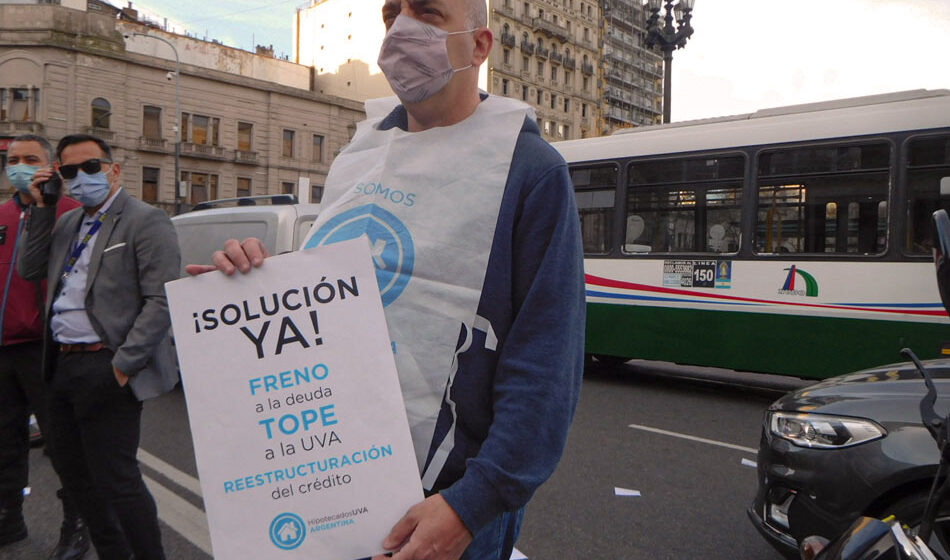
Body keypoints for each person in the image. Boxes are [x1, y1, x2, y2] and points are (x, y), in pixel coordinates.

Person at [186, 0, 586, 558]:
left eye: (427, 12)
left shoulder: (531, 171)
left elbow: (545, 363)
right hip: (331, 484)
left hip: (444, 512)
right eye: (391, 12)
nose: (401, 29)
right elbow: (327, 306)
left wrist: (471, 506)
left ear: (479, 45)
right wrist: (251, 283)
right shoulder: (359, 154)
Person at [17, 133, 180, 560]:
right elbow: (29, 267)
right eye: (69, 171)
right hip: (61, 365)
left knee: (118, 479)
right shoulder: (66, 220)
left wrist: (123, 365)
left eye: (91, 167)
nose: (81, 177)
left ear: (113, 169)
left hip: (105, 365)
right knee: (75, 476)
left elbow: (161, 298)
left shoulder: (145, 220)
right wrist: (43, 207)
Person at [0, 134, 89, 559]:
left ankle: (78, 524)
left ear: (50, 166)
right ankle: (8, 521)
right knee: (5, 442)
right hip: (3, 350)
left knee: (62, 444)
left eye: (30, 159)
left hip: (46, 347)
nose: (18, 165)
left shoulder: (69, 215)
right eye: (11, 159)